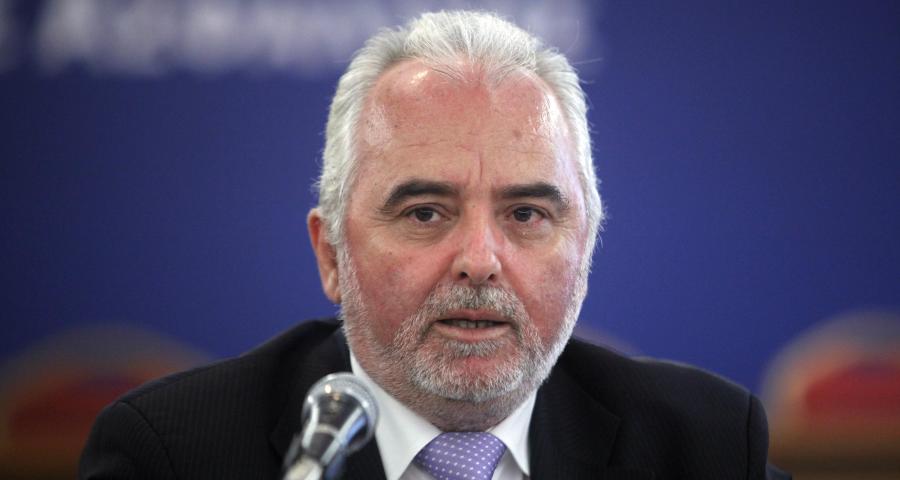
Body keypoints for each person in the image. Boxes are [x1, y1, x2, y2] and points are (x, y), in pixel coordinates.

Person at [80, 10, 789, 480]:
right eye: (424, 213)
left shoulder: (704, 446)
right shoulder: (173, 456)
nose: (479, 261)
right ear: (331, 255)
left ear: (585, 248)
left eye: (526, 214)